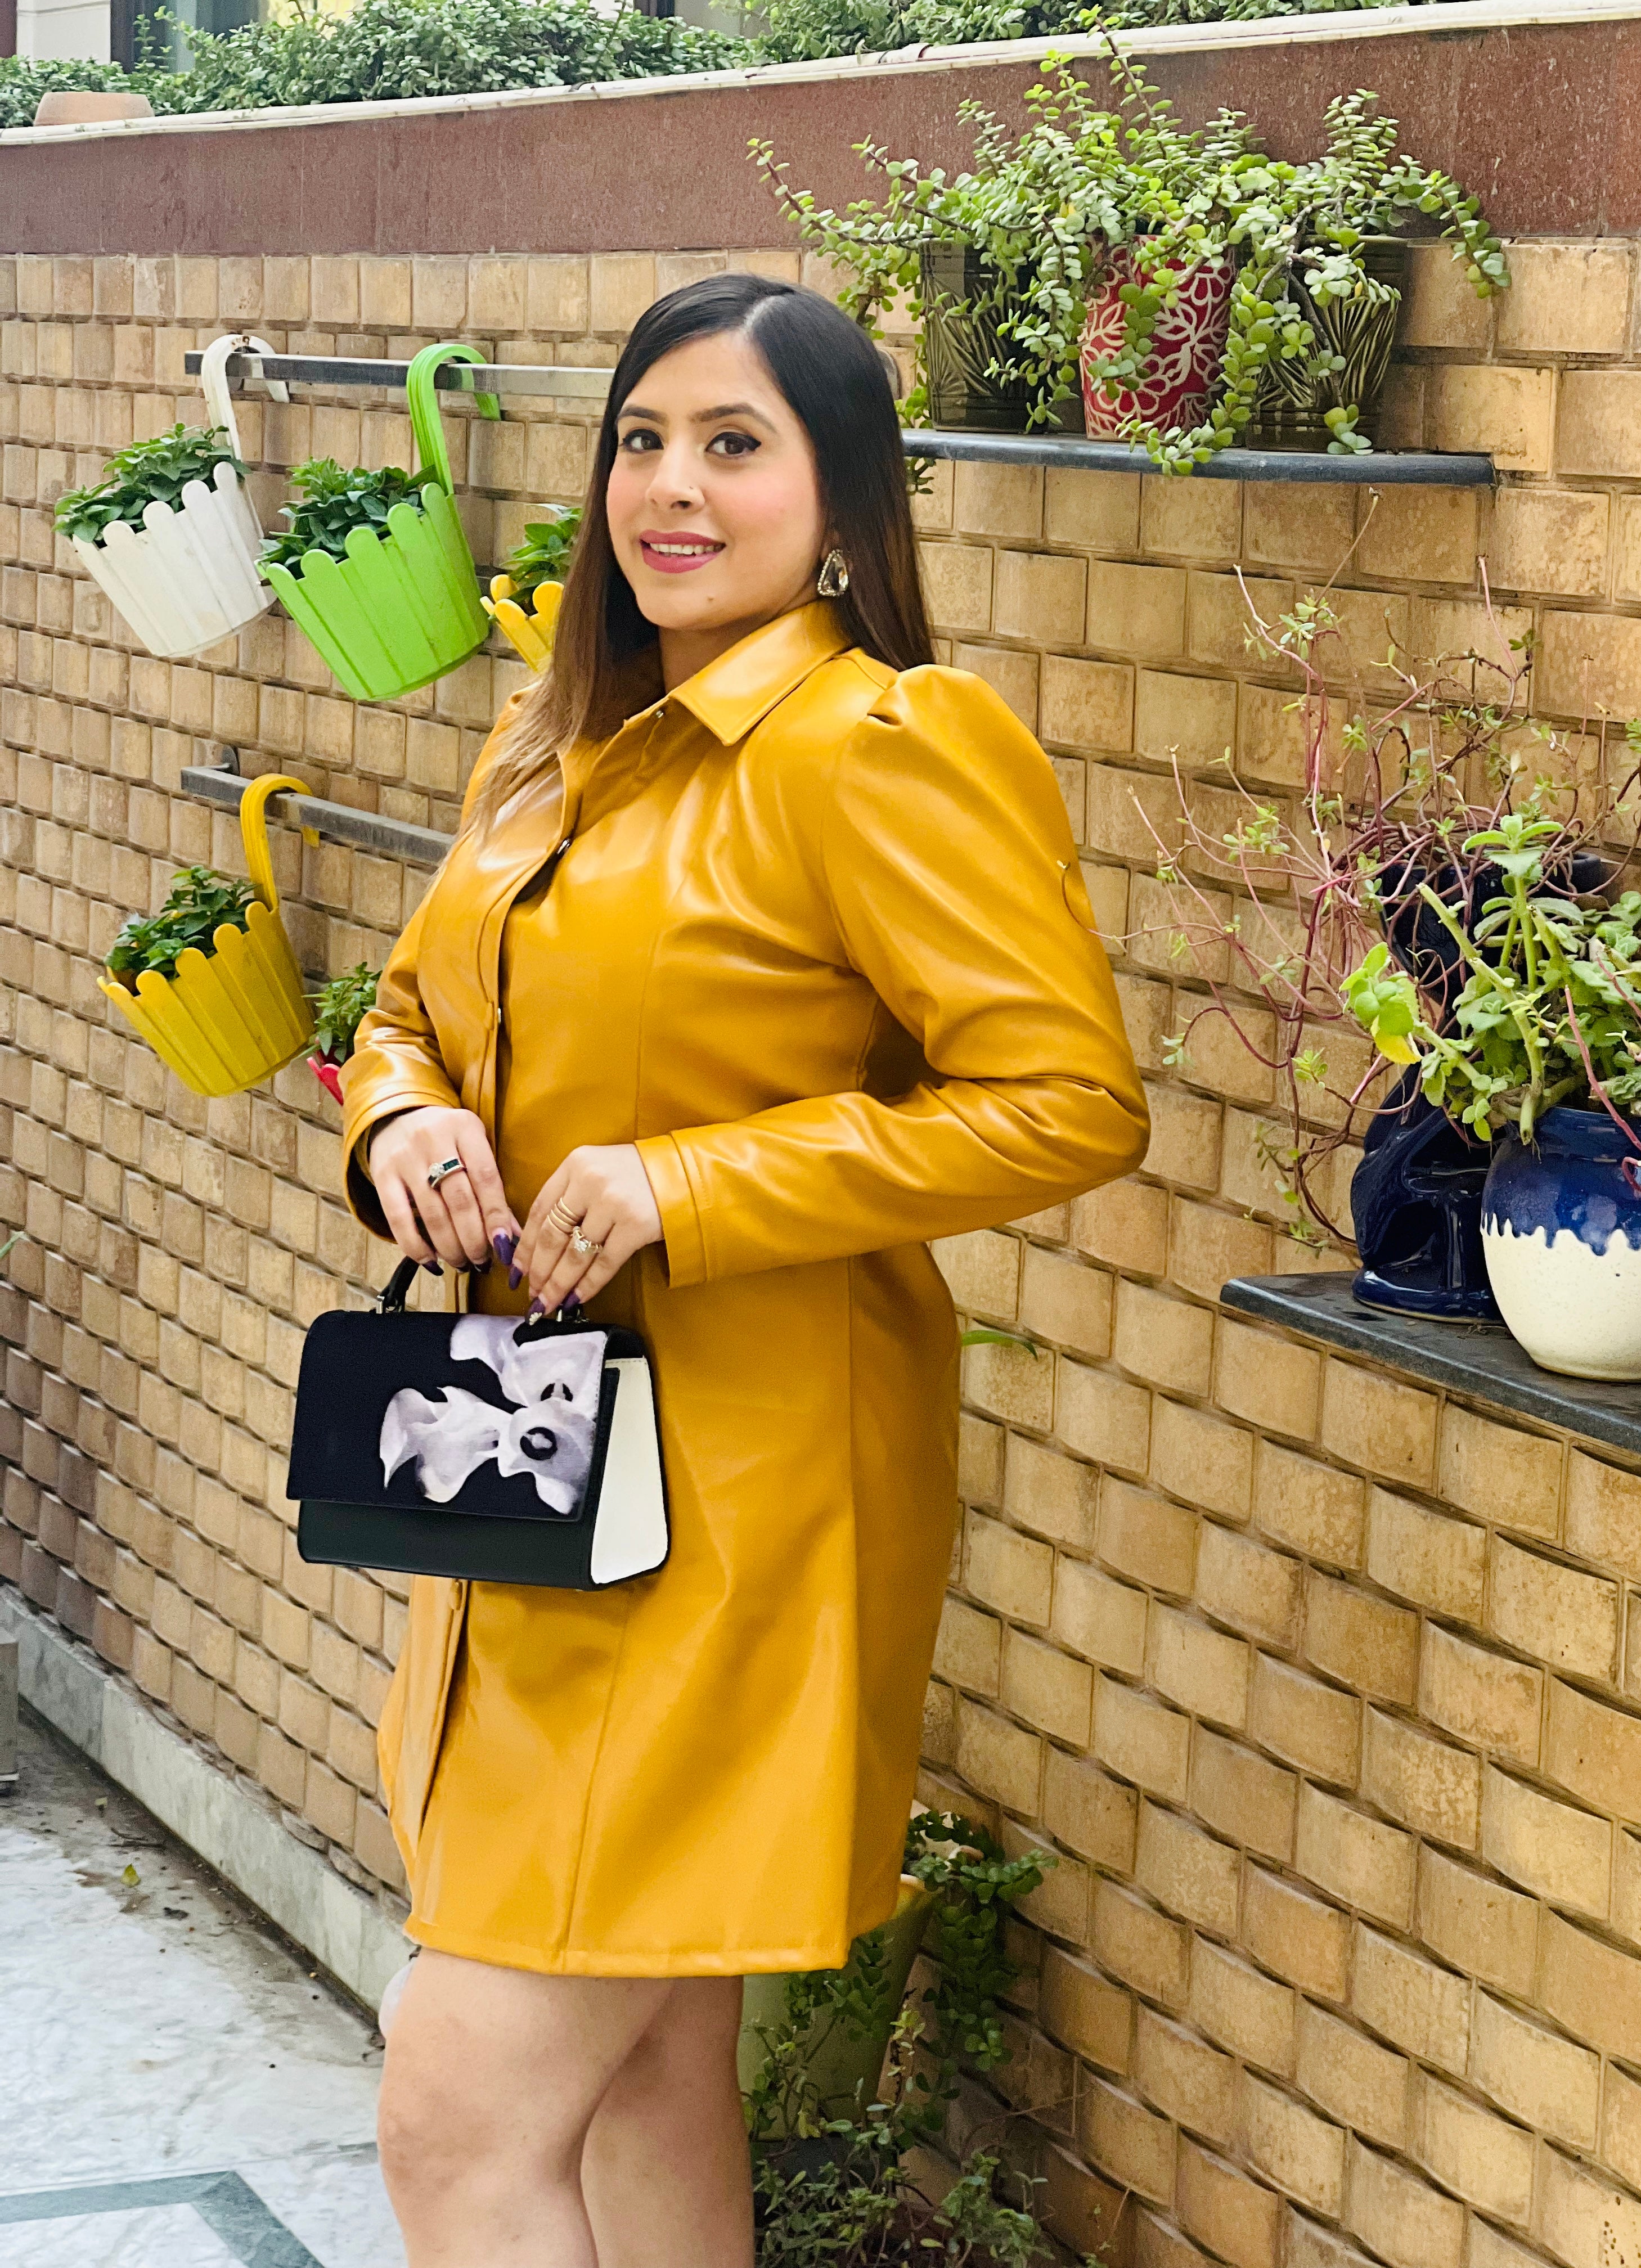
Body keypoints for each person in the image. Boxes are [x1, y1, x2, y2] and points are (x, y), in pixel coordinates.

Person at [338, 271, 1149, 2268]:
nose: (670, 489)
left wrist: (701, 1186)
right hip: (529, 1469)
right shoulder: (548, 745)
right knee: (645, 2069)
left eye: (734, 444)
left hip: (742, 1499)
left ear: (844, 499)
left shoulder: (880, 744)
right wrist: (400, 1123)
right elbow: (408, 1013)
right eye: (641, 439)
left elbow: (1066, 1101)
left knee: (457, 2111)